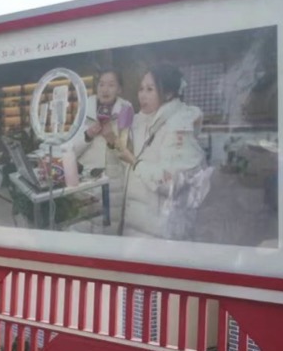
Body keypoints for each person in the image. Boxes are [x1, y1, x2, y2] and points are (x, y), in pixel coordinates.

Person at [106, 63, 212, 240]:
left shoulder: (178, 127)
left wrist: (135, 162)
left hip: (160, 235)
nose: (142, 95)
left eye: (150, 89)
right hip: (135, 229)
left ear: (168, 94)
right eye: (141, 89)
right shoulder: (140, 121)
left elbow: (173, 182)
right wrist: (113, 140)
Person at [72, 69, 134, 224]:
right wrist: (88, 135)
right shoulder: (85, 108)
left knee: (108, 229)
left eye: (111, 85)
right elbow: (71, 151)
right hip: (84, 182)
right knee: (83, 227)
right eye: (101, 84)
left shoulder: (126, 111)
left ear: (119, 89)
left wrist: (112, 138)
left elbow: (129, 158)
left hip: (112, 184)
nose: (105, 90)